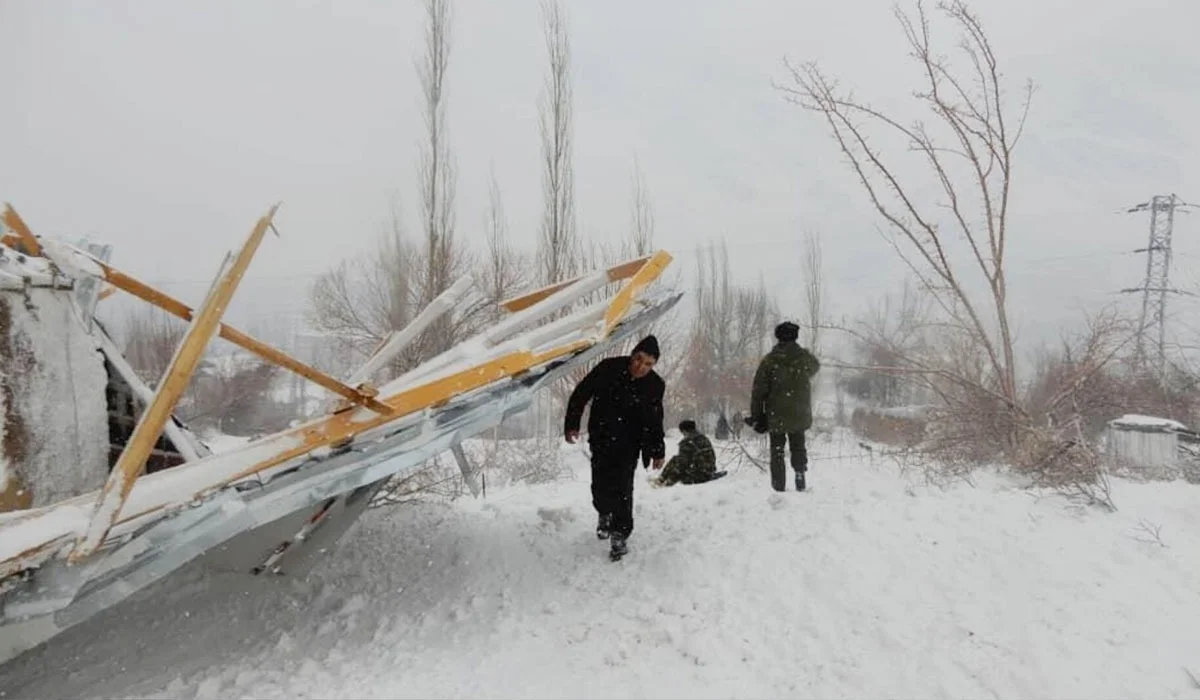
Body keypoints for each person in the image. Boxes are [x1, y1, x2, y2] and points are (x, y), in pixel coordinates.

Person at [564, 335, 666, 560]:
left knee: (623, 488)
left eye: (648, 364)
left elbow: (655, 419)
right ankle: (604, 512)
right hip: (601, 438)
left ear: (653, 365)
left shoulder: (655, 385)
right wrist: (572, 424)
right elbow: (581, 393)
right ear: (633, 355)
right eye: (639, 359)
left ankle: (620, 534)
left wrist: (658, 450)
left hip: (630, 444)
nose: (641, 367)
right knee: (600, 484)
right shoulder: (609, 368)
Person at [748, 321, 821, 492]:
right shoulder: (804, 358)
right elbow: (815, 366)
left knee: (777, 450)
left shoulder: (770, 361)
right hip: (799, 413)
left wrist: (757, 417)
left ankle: (779, 484)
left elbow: (758, 391)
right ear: (795, 336)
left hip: (777, 414)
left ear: (778, 337)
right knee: (798, 445)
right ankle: (800, 474)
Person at [657, 420, 723, 486]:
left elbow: (682, 464)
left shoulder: (688, 442)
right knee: (676, 459)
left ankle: (662, 480)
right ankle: (662, 479)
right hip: (709, 472)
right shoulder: (703, 438)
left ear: (684, 431)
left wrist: (671, 480)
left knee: (676, 460)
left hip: (697, 476)